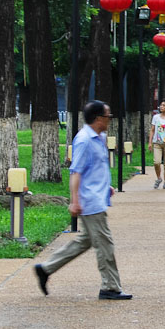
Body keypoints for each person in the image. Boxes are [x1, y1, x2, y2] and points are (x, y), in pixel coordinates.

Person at [34, 100, 131, 300]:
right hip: (89, 201)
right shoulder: (84, 140)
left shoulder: (99, 137)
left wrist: (106, 186)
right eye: (107, 116)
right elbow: (76, 172)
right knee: (105, 244)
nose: (110, 119)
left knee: (85, 241)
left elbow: (95, 168)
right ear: (98, 118)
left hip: (97, 196)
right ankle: (110, 287)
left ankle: (46, 268)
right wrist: (74, 201)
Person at [147, 99, 165, 190]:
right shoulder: (156, 117)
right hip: (157, 143)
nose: (161, 107)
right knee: (157, 162)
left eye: (164, 105)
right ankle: (159, 178)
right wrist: (150, 142)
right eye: (161, 105)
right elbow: (152, 130)